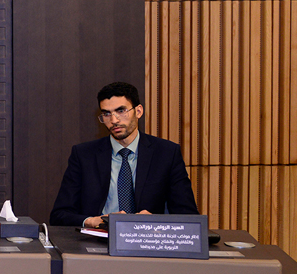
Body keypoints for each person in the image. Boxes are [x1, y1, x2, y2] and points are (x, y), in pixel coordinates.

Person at [49, 81, 198, 228]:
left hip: (147, 238)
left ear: (138, 111)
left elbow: (189, 216)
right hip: (98, 238)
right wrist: (91, 221)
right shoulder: (84, 155)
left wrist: (156, 221)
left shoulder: (166, 153)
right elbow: (59, 215)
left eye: (121, 111)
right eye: (106, 114)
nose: (114, 120)